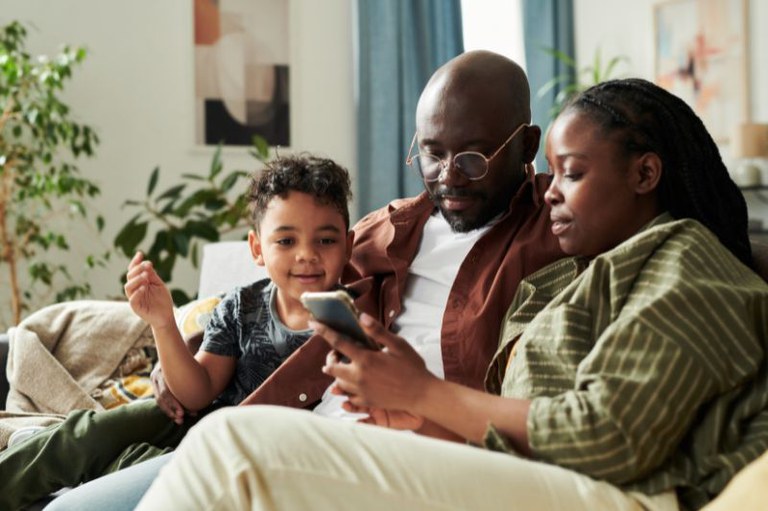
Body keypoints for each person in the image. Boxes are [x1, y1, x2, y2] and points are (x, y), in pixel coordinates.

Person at [134, 78, 768, 511]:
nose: (549, 191)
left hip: (630, 496)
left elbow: (610, 438)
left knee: (234, 449)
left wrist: (427, 393)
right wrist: (420, 419)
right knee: (230, 449)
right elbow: (521, 431)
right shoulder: (571, 281)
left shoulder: (691, 264)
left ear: (645, 173)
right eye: (431, 153)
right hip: (540, 478)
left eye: (570, 174)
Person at [47, 49, 565, 510]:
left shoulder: (557, 226)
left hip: (399, 456)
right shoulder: (392, 225)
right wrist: (182, 346)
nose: (449, 176)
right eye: (432, 153)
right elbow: (290, 291)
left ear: (526, 147)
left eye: (473, 158)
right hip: (288, 421)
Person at [0, 153, 356, 511]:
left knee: (134, 464)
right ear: (257, 248)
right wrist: (163, 323)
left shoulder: (351, 320)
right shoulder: (241, 305)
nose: (307, 254)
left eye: (325, 241)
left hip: (238, 452)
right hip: (194, 418)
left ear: (349, 245)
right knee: (88, 434)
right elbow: (196, 393)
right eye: (286, 241)